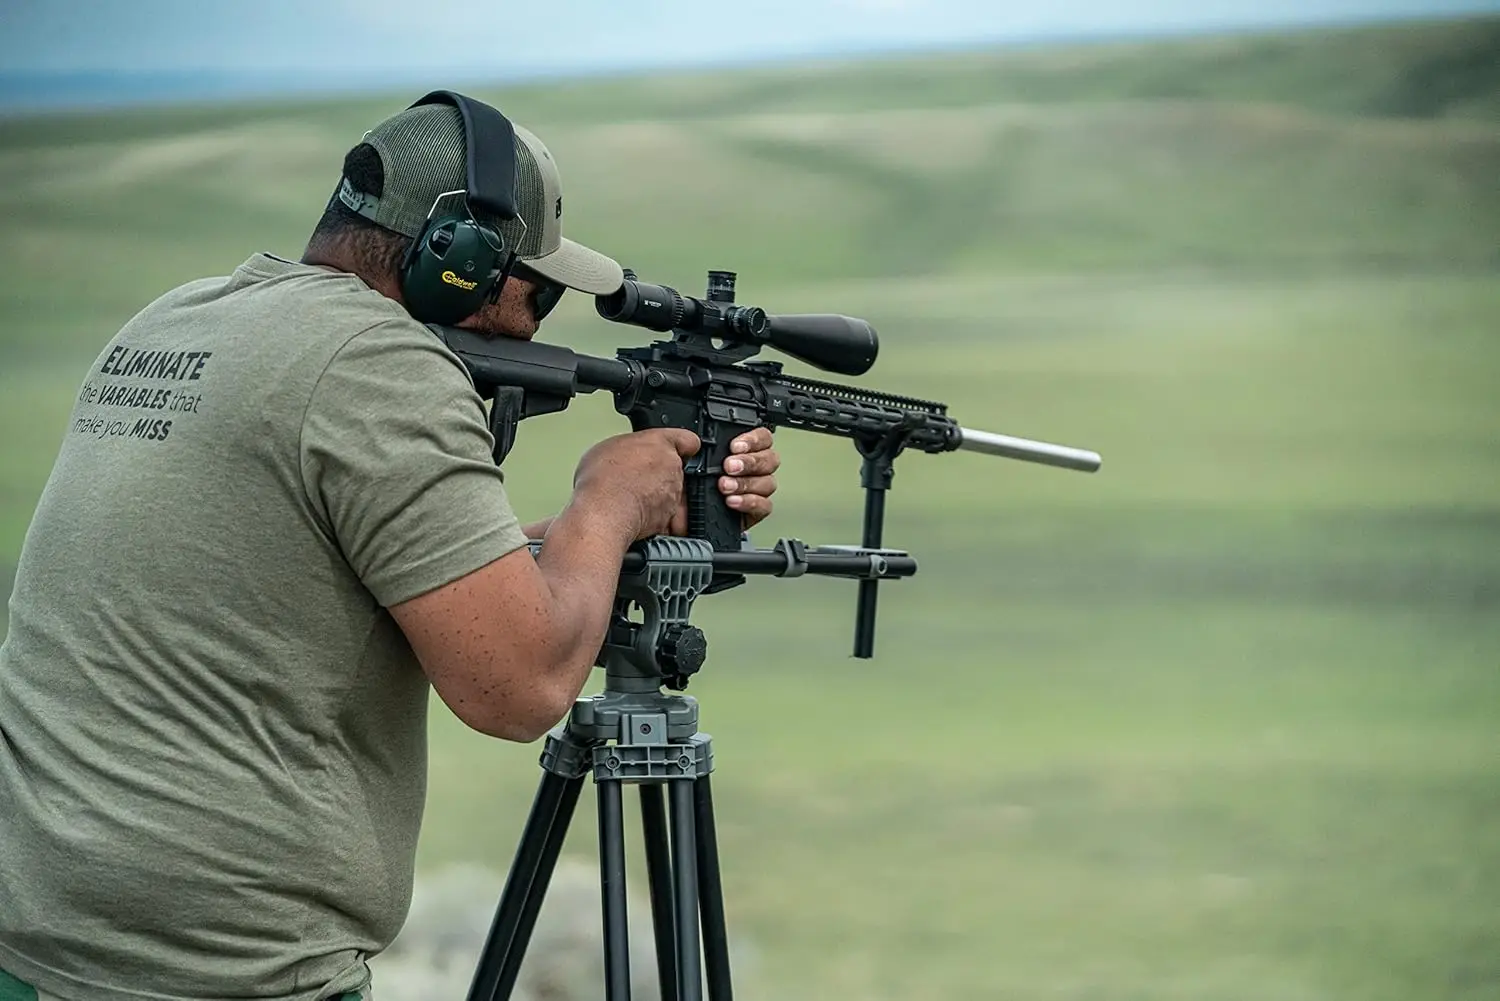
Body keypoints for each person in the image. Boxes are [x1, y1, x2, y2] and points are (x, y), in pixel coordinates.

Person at [0, 93, 781, 1000]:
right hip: (216, 969)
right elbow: (517, 686)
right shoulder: (381, 364)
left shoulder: (178, 319)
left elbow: (322, 554)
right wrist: (607, 502)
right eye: (541, 287)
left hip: (38, 932)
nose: (539, 322)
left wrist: (583, 539)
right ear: (459, 261)